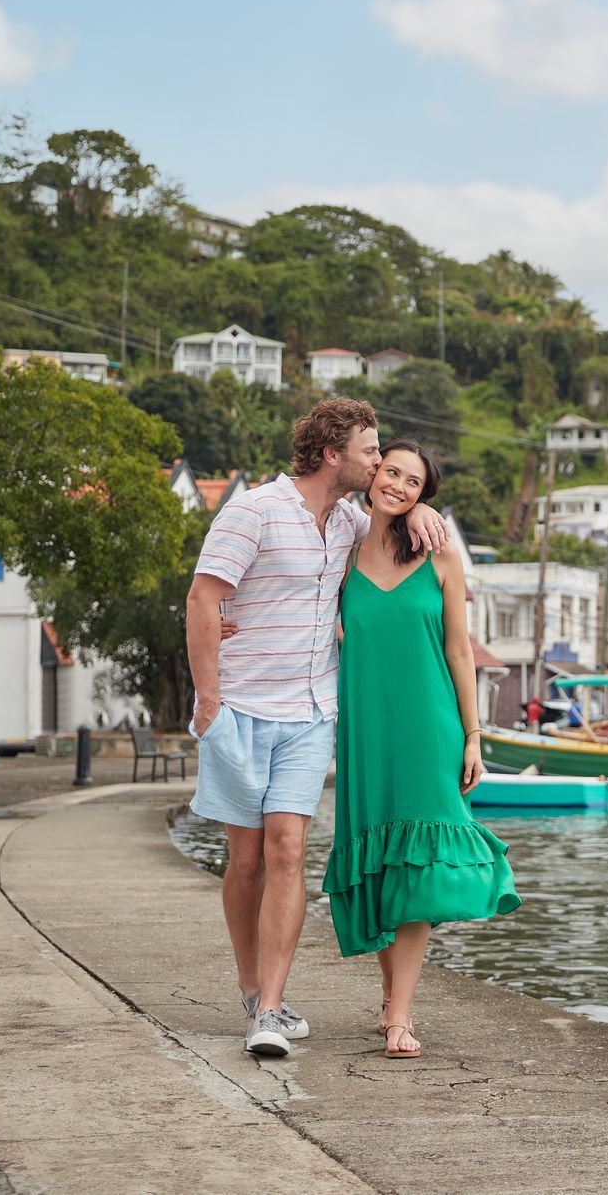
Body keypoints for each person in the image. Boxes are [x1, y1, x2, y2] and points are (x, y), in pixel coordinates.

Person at [186, 398, 450, 1059]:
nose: (378, 460)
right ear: (333, 452)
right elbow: (203, 598)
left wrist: (420, 507)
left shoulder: (349, 524)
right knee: (245, 858)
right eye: (369, 449)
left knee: (287, 851)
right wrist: (209, 700)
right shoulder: (254, 510)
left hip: (309, 713)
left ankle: (270, 1009)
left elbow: (394, 524)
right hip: (242, 708)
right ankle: (253, 988)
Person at [322, 440, 519, 1060]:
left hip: (428, 724)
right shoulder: (343, 549)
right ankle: (390, 1000)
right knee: (380, 864)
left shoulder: (440, 552)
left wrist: (473, 734)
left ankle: (401, 1014)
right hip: (365, 729)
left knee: (419, 863)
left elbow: (460, 651)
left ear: (424, 498)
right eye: (393, 473)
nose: (400, 487)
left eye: (414, 484)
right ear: (372, 473)